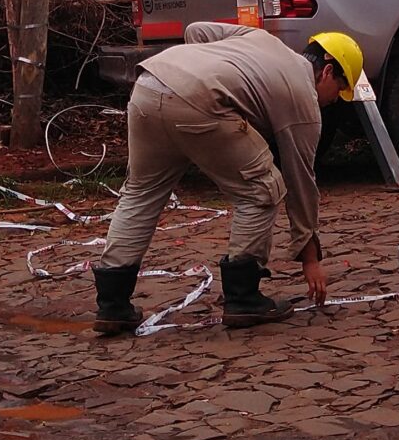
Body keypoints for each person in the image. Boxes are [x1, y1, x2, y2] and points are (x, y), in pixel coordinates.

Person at [92, 24, 364, 335]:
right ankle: (243, 297)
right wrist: (310, 259)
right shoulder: (304, 100)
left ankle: (112, 305)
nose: (334, 101)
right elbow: (300, 180)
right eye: (340, 90)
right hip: (198, 100)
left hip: (151, 83)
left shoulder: (260, 38)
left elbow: (197, 30)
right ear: (328, 71)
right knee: (263, 189)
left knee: (141, 192)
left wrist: (205, 64)